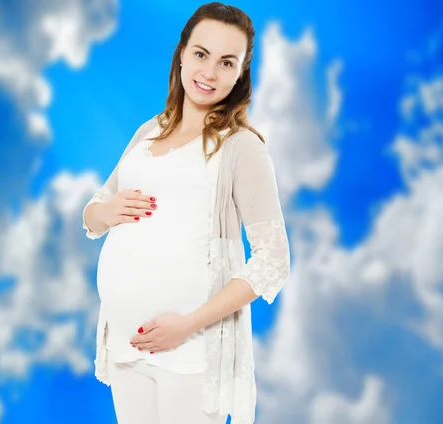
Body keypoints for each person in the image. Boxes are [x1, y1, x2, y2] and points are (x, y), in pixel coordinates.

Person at [82, 3, 291, 424]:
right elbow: (92, 216)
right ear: (181, 54)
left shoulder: (240, 147)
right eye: (201, 54)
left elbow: (274, 260)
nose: (209, 72)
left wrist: (189, 323)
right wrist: (106, 209)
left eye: (226, 62)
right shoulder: (148, 131)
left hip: (192, 351)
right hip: (125, 343)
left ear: (240, 73)